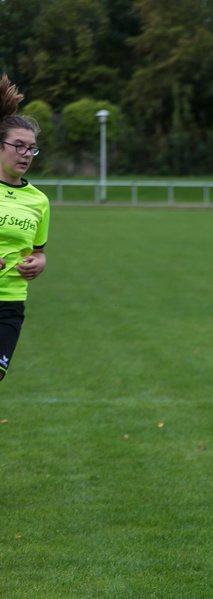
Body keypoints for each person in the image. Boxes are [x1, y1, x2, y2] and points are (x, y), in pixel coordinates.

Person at [0, 76, 50, 386]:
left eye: (31, 149)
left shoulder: (39, 201)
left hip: (10, 304)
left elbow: (38, 251)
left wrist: (39, 262)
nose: (25, 154)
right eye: (18, 146)